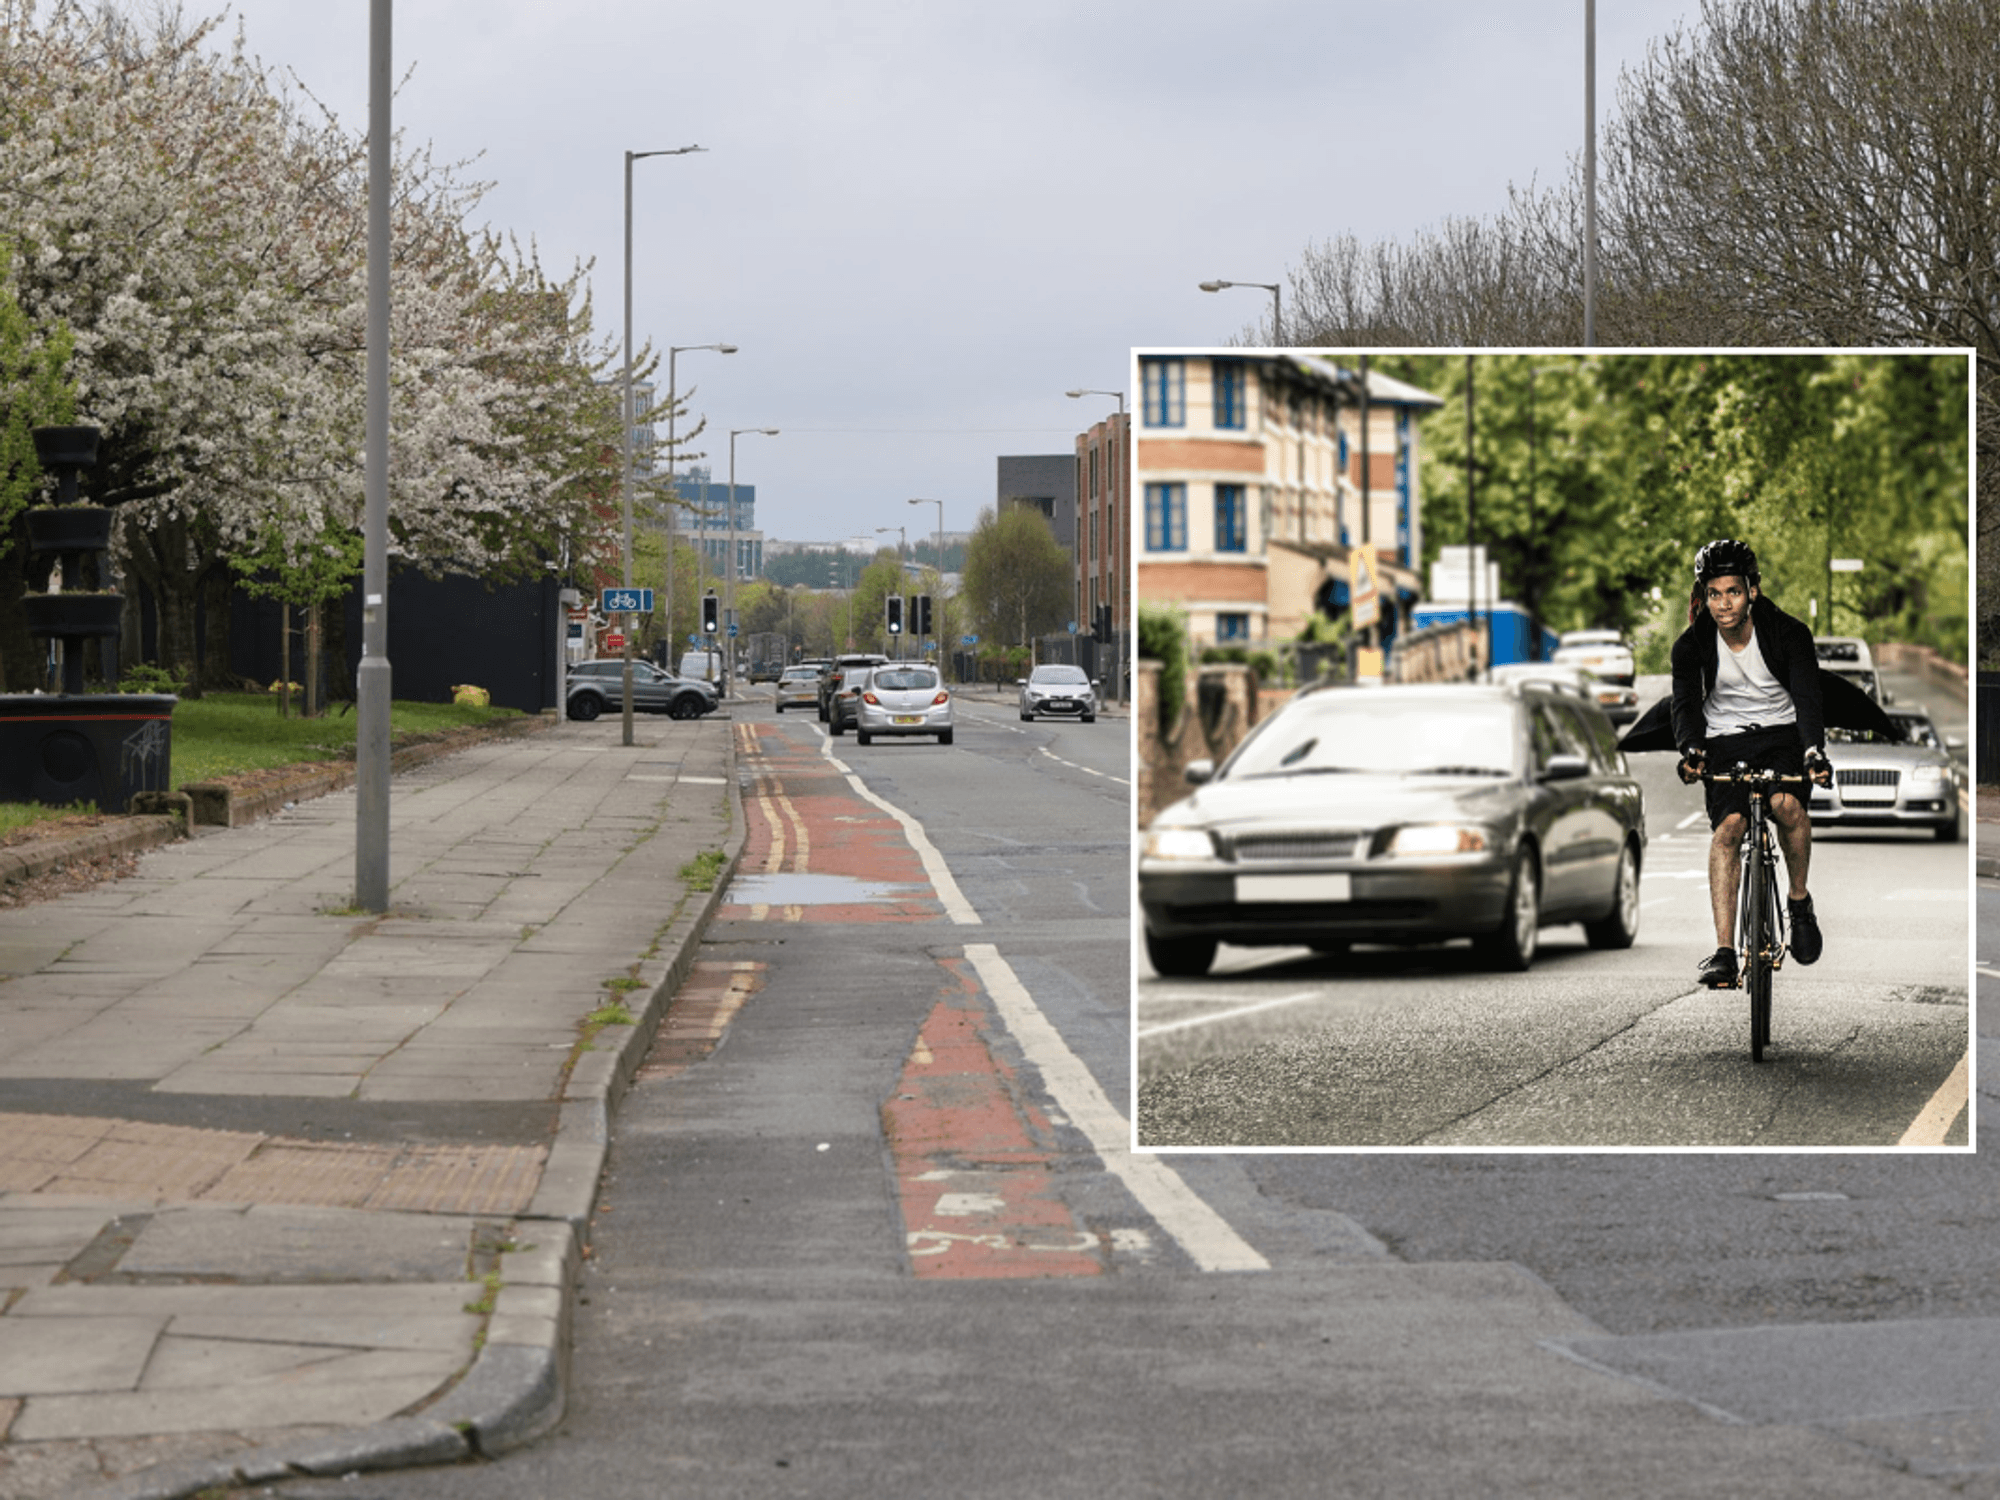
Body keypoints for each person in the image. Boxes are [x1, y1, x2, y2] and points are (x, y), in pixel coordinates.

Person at [1671, 539, 1832, 988]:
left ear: (1752, 592)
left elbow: (1807, 696)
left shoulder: (1789, 634)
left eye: (1734, 592)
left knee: (1787, 807)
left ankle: (1798, 902)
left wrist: (1813, 751)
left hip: (1782, 735)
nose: (1724, 604)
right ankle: (1725, 952)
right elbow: (1684, 706)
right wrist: (1692, 752)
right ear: (1703, 596)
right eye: (1714, 594)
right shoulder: (1690, 647)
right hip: (1723, 739)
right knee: (1729, 829)